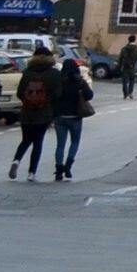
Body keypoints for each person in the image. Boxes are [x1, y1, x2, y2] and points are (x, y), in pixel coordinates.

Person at [8, 46, 58, 179]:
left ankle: (16, 161)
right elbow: (58, 94)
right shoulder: (53, 73)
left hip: (27, 112)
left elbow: (20, 93)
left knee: (25, 140)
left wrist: (29, 101)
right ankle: (31, 173)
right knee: (38, 142)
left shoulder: (28, 72)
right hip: (44, 113)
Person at [50, 51, 95, 181]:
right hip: (75, 116)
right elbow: (90, 95)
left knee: (60, 145)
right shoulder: (80, 82)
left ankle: (59, 170)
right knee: (74, 142)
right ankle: (68, 166)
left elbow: (53, 97)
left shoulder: (59, 81)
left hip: (60, 116)